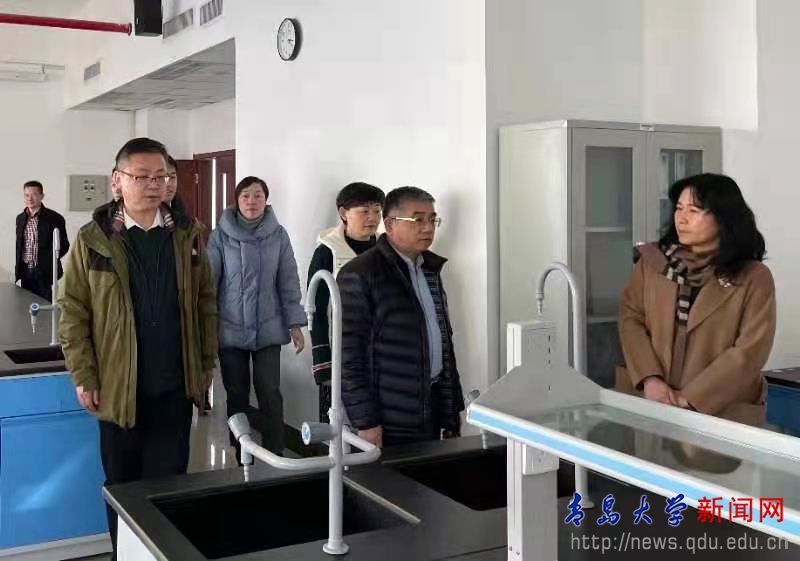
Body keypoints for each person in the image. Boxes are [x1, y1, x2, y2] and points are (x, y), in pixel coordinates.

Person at [58, 137, 218, 559]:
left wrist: (205, 365)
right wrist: (83, 375)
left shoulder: (188, 235)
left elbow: (206, 303)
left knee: (169, 488)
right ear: (117, 181)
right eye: (142, 176)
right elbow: (72, 311)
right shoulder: (92, 240)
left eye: (162, 176)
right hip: (117, 389)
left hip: (174, 387)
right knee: (124, 487)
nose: (154, 185)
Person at [617, 173, 775, 426]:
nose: (682, 218)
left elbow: (749, 352)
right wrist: (650, 379)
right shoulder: (654, 262)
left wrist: (689, 399)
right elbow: (631, 319)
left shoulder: (753, 277)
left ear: (724, 218)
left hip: (721, 410)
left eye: (694, 210)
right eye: (679, 208)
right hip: (653, 401)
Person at [338, 186, 464, 447]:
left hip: (430, 408)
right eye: (417, 220)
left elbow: (443, 343)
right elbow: (348, 356)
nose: (428, 227)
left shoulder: (430, 269)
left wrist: (451, 411)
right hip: (387, 416)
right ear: (390, 224)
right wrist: (366, 420)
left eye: (432, 219)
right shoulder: (360, 273)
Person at [207, 176, 307, 455]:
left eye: (258, 195)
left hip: (268, 328)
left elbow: (288, 280)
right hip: (230, 329)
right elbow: (209, 283)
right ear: (236, 201)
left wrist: (295, 323)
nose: (252, 201)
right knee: (237, 393)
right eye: (246, 196)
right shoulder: (220, 236)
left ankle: (276, 452)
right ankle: (242, 452)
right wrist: (206, 327)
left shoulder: (278, 235)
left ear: (266, 200)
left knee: (270, 392)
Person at [307, 182, 385, 422]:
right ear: (343, 213)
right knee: (336, 428)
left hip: (380, 356)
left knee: (373, 427)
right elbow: (316, 310)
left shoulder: (385, 249)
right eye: (364, 211)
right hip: (340, 355)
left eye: (377, 211)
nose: (373, 217)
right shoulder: (327, 251)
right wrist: (323, 364)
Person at [15, 180, 69, 301]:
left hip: (45, 272)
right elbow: (20, 246)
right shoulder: (20, 218)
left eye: (34, 194)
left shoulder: (54, 218)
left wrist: (49, 260)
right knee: (26, 305)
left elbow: (64, 245)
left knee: (45, 306)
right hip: (26, 272)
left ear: (42, 196)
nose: (30, 198)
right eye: (27, 195)